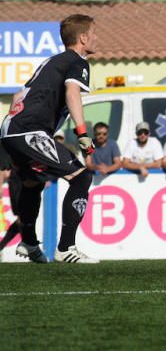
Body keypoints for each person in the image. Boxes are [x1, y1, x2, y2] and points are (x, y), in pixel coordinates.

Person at [0, 14, 99, 263]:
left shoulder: (52, 61)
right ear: (83, 37)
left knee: (32, 181)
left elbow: (19, 95)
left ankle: (29, 243)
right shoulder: (77, 61)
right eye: (94, 34)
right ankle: (66, 248)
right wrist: (82, 133)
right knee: (82, 176)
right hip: (29, 131)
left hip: (10, 129)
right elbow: (72, 93)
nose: (96, 38)